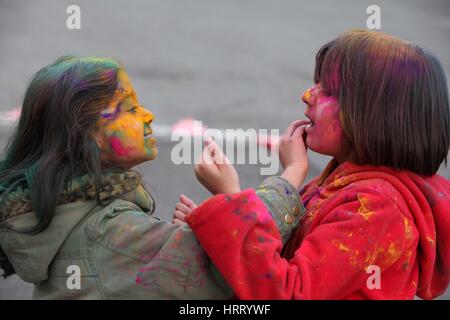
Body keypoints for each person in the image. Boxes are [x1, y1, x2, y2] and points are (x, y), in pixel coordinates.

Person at [0, 56, 303, 299]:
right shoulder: (109, 234)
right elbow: (229, 272)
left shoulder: (69, 214)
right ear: (86, 136)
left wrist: (186, 240)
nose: (148, 115)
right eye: (130, 108)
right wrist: (281, 180)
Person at [179, 30, 450, 299]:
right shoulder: (343, 180)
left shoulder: (377, 208)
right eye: (316, 83)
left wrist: (233, 202)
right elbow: (283, 256)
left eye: (329, 90)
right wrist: (226, 226)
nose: (307, 95)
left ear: (377, 117)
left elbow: (286, 292)